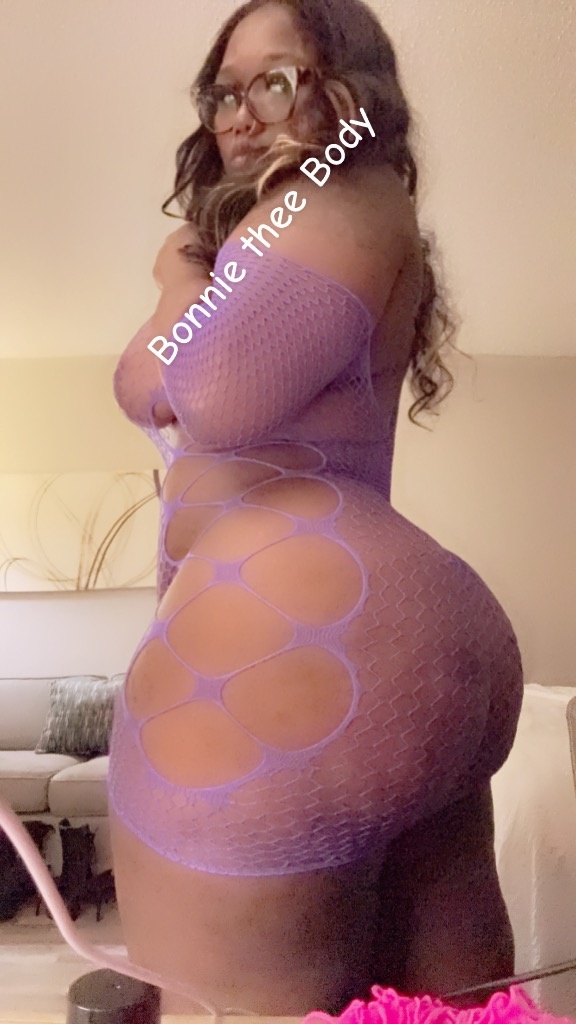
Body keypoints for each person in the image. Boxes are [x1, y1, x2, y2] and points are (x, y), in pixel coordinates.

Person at [109, 0, 524, 1016]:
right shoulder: (312, 226)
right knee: (451, 1011)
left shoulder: (331, 193)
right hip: (398, 642)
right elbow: (171, 382)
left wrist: (176, 275)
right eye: (224, 90)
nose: (242, 112)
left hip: (289, 647)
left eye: (277, 79)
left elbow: (205, 389)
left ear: (347, 92)